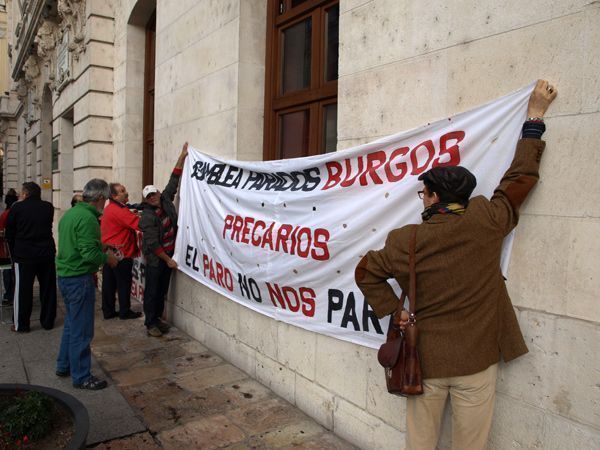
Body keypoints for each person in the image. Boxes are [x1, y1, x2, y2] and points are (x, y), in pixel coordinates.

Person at [354, 80, 557, 450]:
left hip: (425, 362)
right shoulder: (488, 220)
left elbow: (365, 273)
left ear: (432, 197)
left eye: (423, 193)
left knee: (420, 443)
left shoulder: (406, 240)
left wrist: (394, 313)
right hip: (477, 360)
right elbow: (519, 180)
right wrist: (535, 118)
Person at [55, 179, 118, 390]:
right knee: (82, 331)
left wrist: (101, 244)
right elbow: (89, 255)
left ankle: (64, 365)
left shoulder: (71, 214)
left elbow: (75, 242)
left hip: (65, 276)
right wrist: (108, 259)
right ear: (100, 198)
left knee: (72, 325)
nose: (106, 203)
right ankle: (81, 376)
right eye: (107, 199)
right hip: (78, 278)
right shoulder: (89, 219)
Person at [139, 142, 188, 337]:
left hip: (169, 254)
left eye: (154, 193)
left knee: (161, 291)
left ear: (159, 193)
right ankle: (150, 323)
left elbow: (173, 180)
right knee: (152, 291)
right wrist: (168, 261)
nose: (153, 197)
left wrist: (182, 156)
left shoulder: (165, 200)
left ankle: (157, 319)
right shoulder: (147, 217)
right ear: (145, 200)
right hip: (157, 259)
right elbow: (153, 244)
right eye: (149, 196)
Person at [5, 182, 56, 332]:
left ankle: (22, 324)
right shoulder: (48, 207)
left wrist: (14, 252)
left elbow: (10, 233)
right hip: (46, 253)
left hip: (24, 255)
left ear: (26, 193)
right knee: (48, 288)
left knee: (23, 290)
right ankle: (47, 322)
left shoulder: (17, 208)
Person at [100, 183, 142, 320]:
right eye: (122, 191)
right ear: (114, 196)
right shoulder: (120, 210)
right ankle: (124, 311)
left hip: (109, 251)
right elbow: (138, 224)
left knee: (109, 284)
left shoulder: (110, 208)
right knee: (123, 284)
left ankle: (108, 311)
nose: (126, 193)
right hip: (121, 253)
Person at [0, 189, 18, 306]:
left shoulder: (5, 214)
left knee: (6, 271)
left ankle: (9, 295)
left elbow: (1, 232)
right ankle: (14, 294)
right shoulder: (16, 213)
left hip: (5, 249)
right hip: (16, 247)